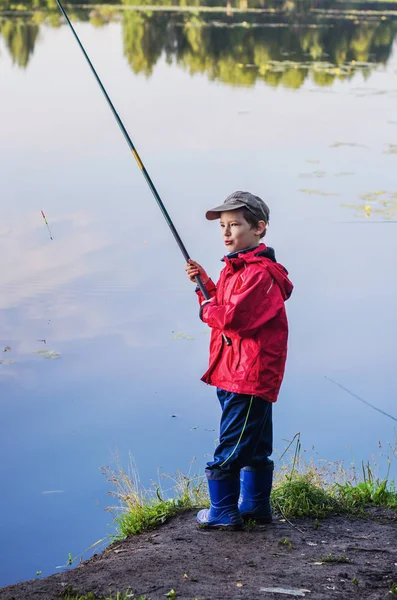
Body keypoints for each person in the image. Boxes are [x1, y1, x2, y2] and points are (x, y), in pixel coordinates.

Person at [185, 190, 293, 529]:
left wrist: (205, 308)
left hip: (248, 376)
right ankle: (256, 506)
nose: (227, 233)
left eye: (235, 225)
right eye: (223, 226)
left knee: (231, 447)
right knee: (256, 443)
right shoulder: (238, 268)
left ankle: (222, 512)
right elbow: (228, 302)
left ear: (259, 228)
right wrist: (205, 284)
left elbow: (233, 318)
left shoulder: (259, 274)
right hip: (236, 372)